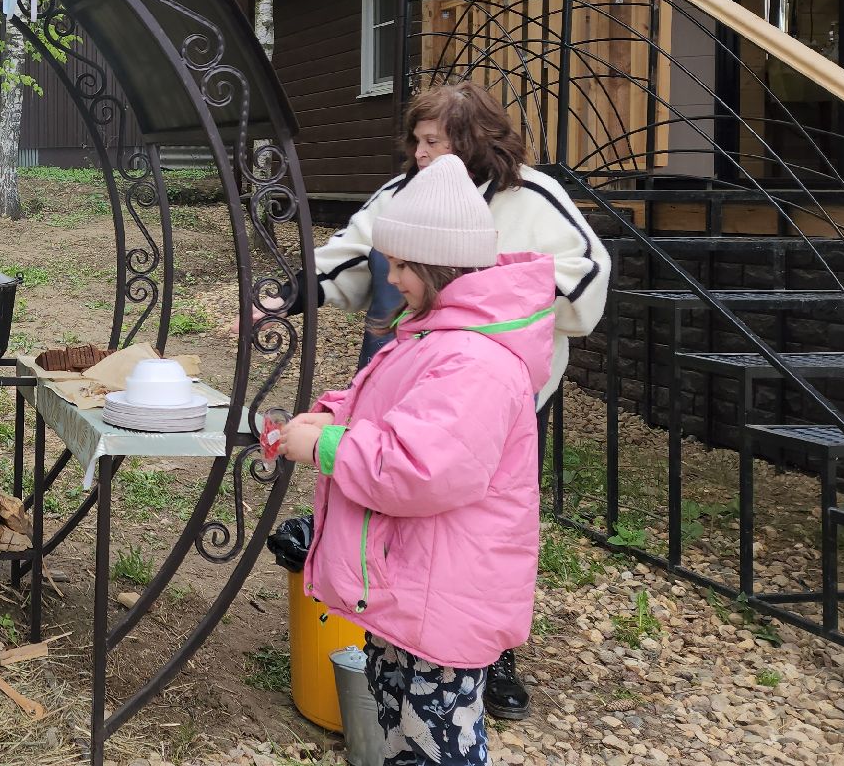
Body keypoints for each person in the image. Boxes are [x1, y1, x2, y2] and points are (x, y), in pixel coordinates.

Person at [251, 80, 610, 721]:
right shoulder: (404, 198)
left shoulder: (534, 199)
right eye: (415, 140)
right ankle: (396, 626)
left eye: (432, 140)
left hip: (492, 394)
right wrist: (286, 294)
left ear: (473, 141)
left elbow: (583, 277)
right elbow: (352, 257)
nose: (420, 153)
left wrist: (482, 290)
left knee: (472, 527)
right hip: (408, 384)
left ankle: (479, 655)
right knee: (405, 514)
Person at [276, 153, 549, 766]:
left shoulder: (476, 360)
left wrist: (322, 446)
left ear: (438, 263)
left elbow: (420, 468)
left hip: (443, 600)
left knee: (435, 749)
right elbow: (395, 404)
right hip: (418, 591)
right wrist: (335, 414)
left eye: (400, 264)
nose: (391, 276)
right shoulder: (440, 335)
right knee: (399, 731)